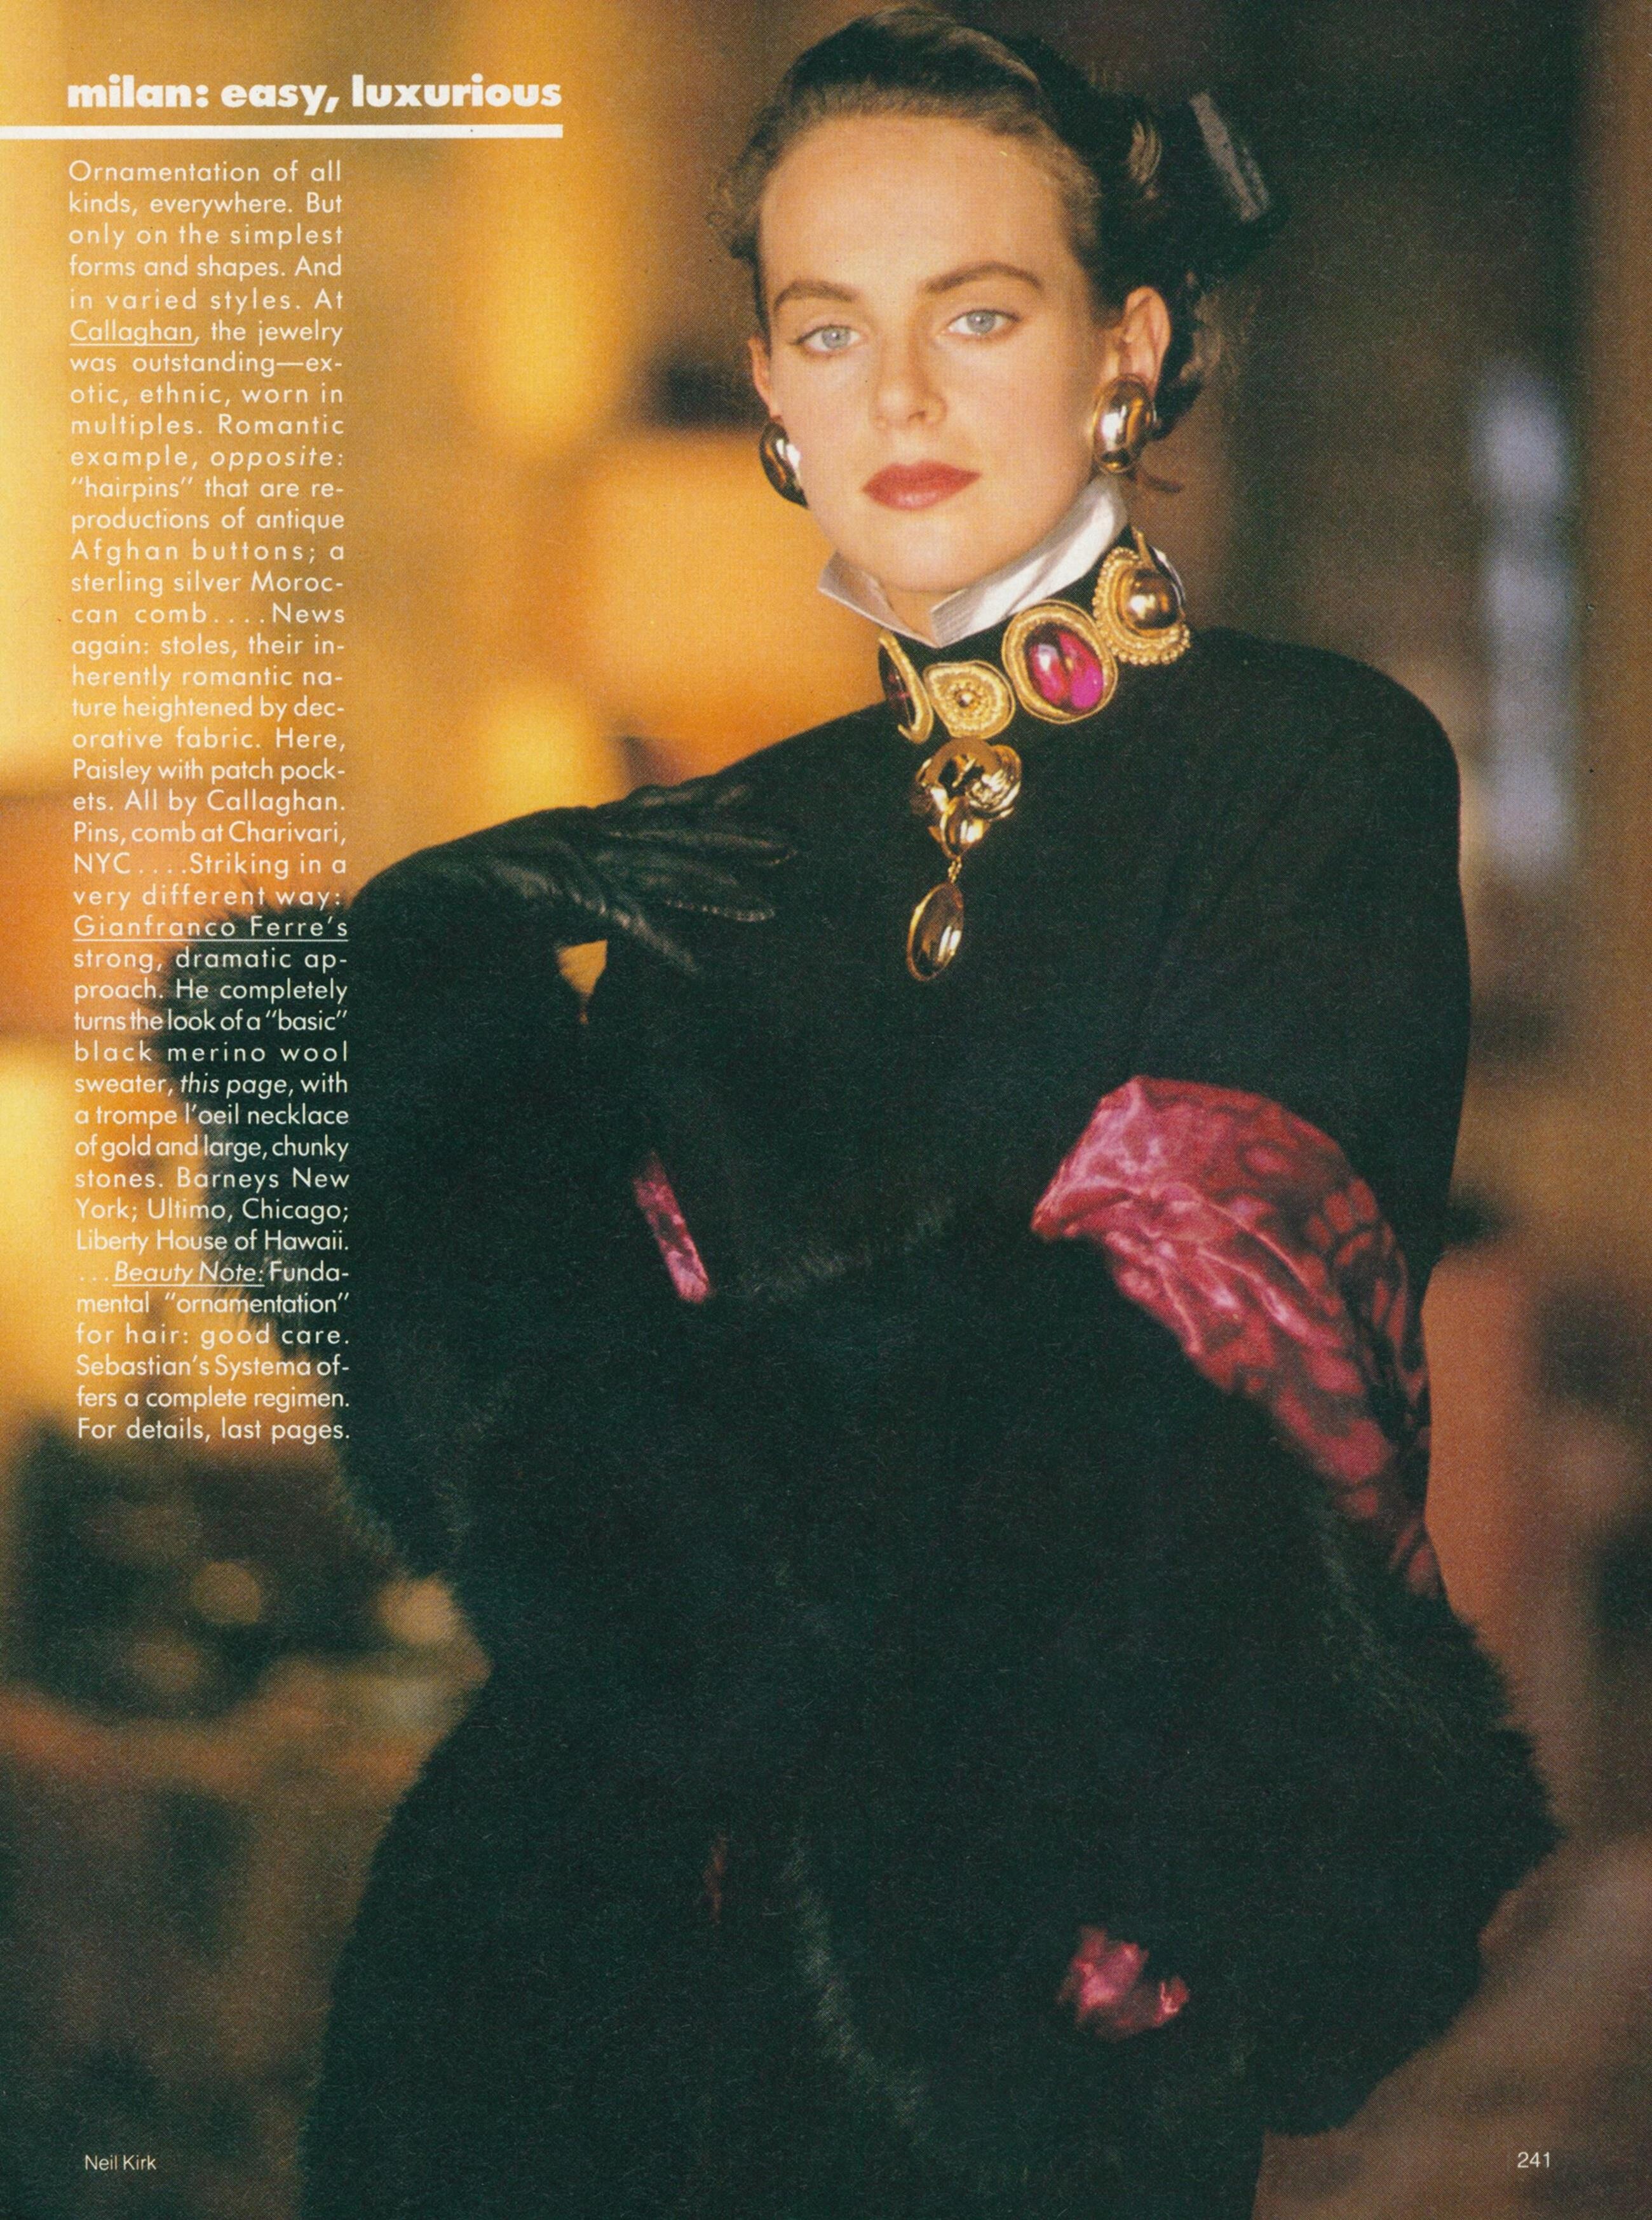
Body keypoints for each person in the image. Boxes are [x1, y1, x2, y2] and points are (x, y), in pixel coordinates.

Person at [181, 11, 1556, 2218]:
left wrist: (654, 1494)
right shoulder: (711, 859)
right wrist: (413, 992)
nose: (898, 395)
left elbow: (1170, 1424)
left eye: (976, 314)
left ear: (1125, 348)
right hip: (546, 1977)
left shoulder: (1308, 768)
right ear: (771, 392)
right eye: (831, 328)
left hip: (1002, 1971)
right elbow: (489, 1485)